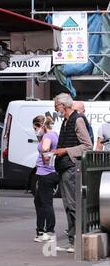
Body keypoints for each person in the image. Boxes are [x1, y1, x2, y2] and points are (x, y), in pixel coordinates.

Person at [53, 93, 92, 253]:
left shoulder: (77, 119)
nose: (55, 109)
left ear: (63, 105)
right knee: (68, 205)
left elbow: (87, 146)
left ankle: (77, 240)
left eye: (56, 106)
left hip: (71, 166)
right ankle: (73, 240)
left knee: (72, 204)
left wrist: (65, 150)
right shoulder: (66, 121)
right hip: (65, 166)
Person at [32, 115, 60, 243]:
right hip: (49, 173)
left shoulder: (47, 136)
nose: (35, 131)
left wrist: (45, 158)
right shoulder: (54, 134)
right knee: (39, 201)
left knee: (46, 203)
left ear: (41, 126)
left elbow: (45, 149)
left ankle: (49, 232)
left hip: (46, 174)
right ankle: (41, 231)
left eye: (35, 128)